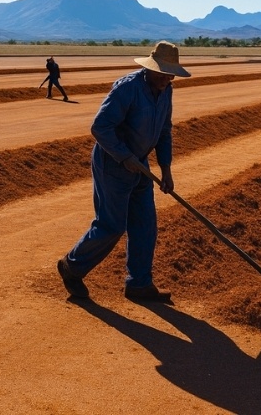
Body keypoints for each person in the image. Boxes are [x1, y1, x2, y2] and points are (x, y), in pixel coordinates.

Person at [57, 40, 190, 302]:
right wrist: (125, 156)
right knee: (111, 225)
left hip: (141, 165)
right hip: (113, 164)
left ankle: (139, 285)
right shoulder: (128, 88)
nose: (167, 78)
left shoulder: (166, 91)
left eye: (171, 73)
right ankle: (71, 267)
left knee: (145, 225)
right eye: (163, 73)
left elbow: (164, 131)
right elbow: (100, 128)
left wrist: (166, 170)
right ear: (151, 68)